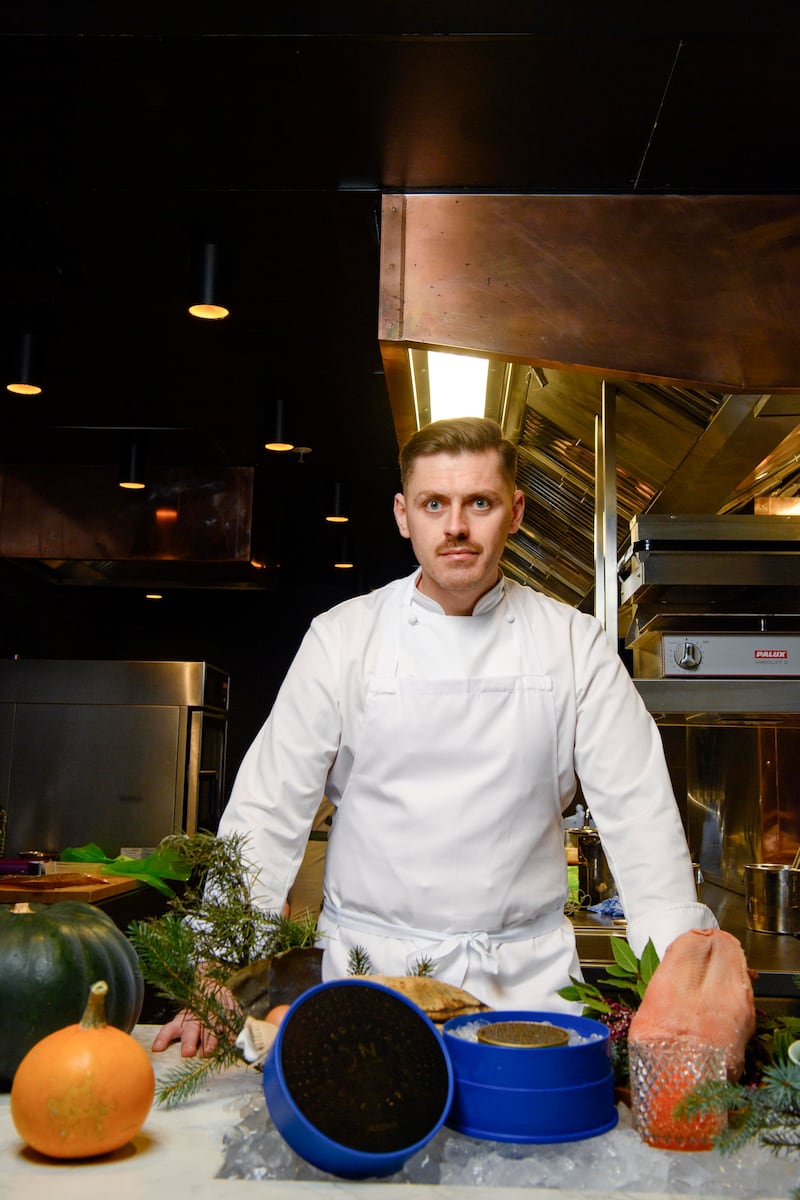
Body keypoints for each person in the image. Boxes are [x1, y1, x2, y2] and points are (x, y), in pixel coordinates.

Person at [154, 415, 716, 1056]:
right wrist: (215, 969)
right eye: (434, 504)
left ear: (516, 512)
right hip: (372, 983)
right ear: (403, 514)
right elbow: (267, 809)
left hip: (527, 992)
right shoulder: (343, 638)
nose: (456, 526)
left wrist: (681, 986)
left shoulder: (574, 644)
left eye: (479, 502)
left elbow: (641, 814)